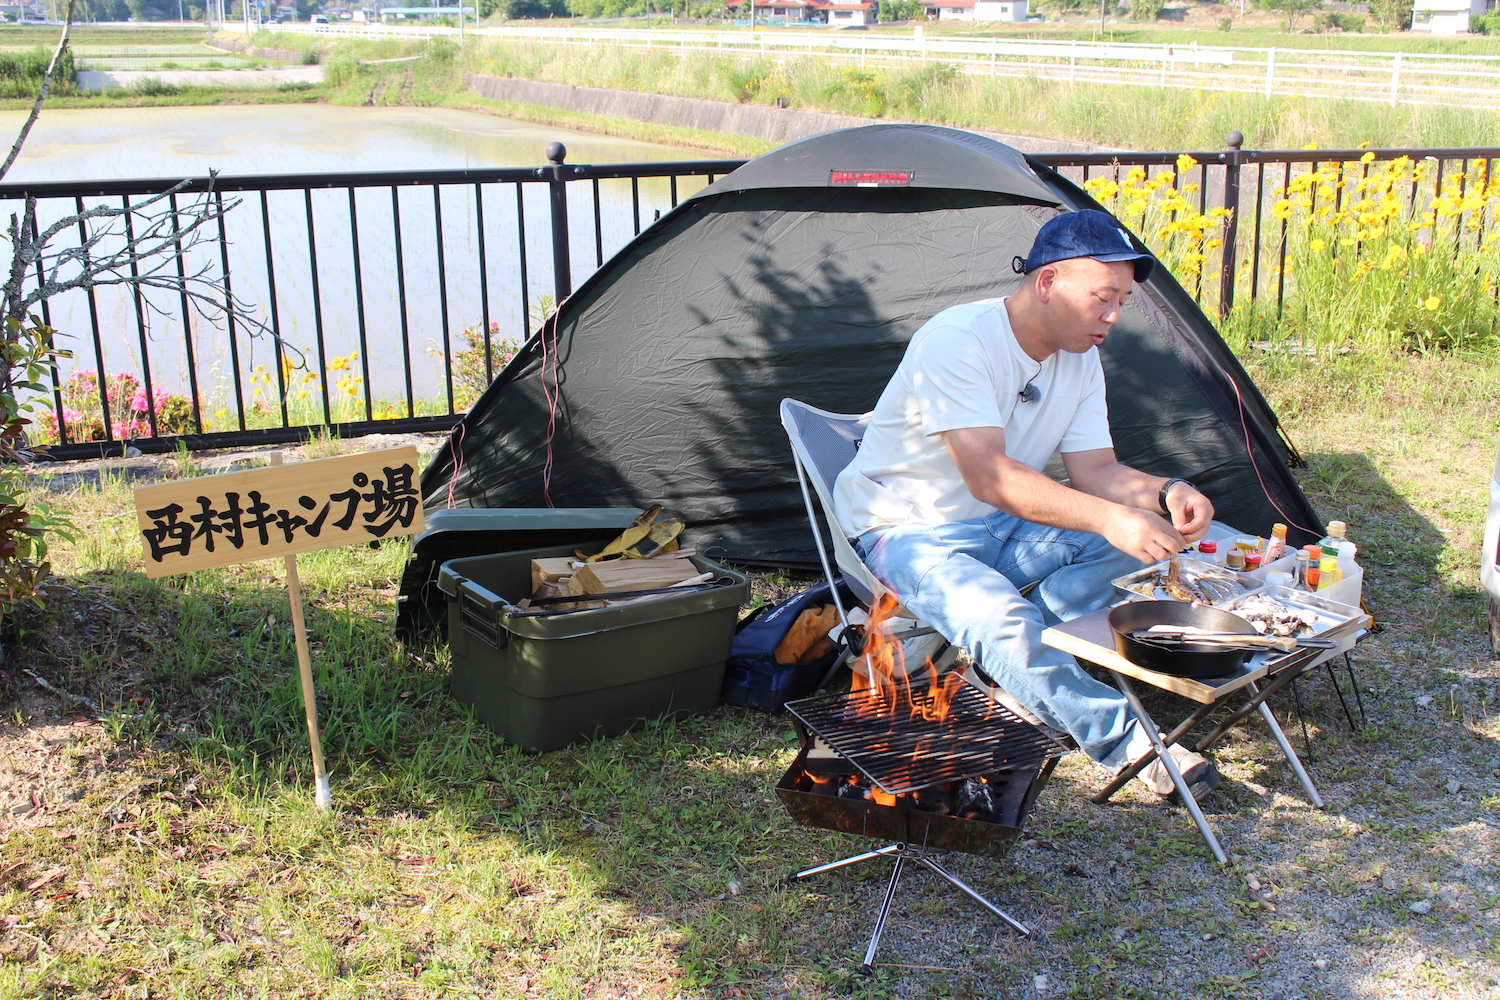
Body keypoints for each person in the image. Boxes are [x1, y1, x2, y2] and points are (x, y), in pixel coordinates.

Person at [831, 210, 1221, 801]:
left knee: (1162, 546)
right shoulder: (958, 340)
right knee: (999, 616)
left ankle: (1020, 666)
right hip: (906, 530)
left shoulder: (1081, 357)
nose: (1113, 317)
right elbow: (990, 476)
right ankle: (1134, 747)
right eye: (1103, 298)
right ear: (1048, 282)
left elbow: (1099, 471)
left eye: (1122, 302)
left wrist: (1165, 495)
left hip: (1006, 527)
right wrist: (1111, 518)